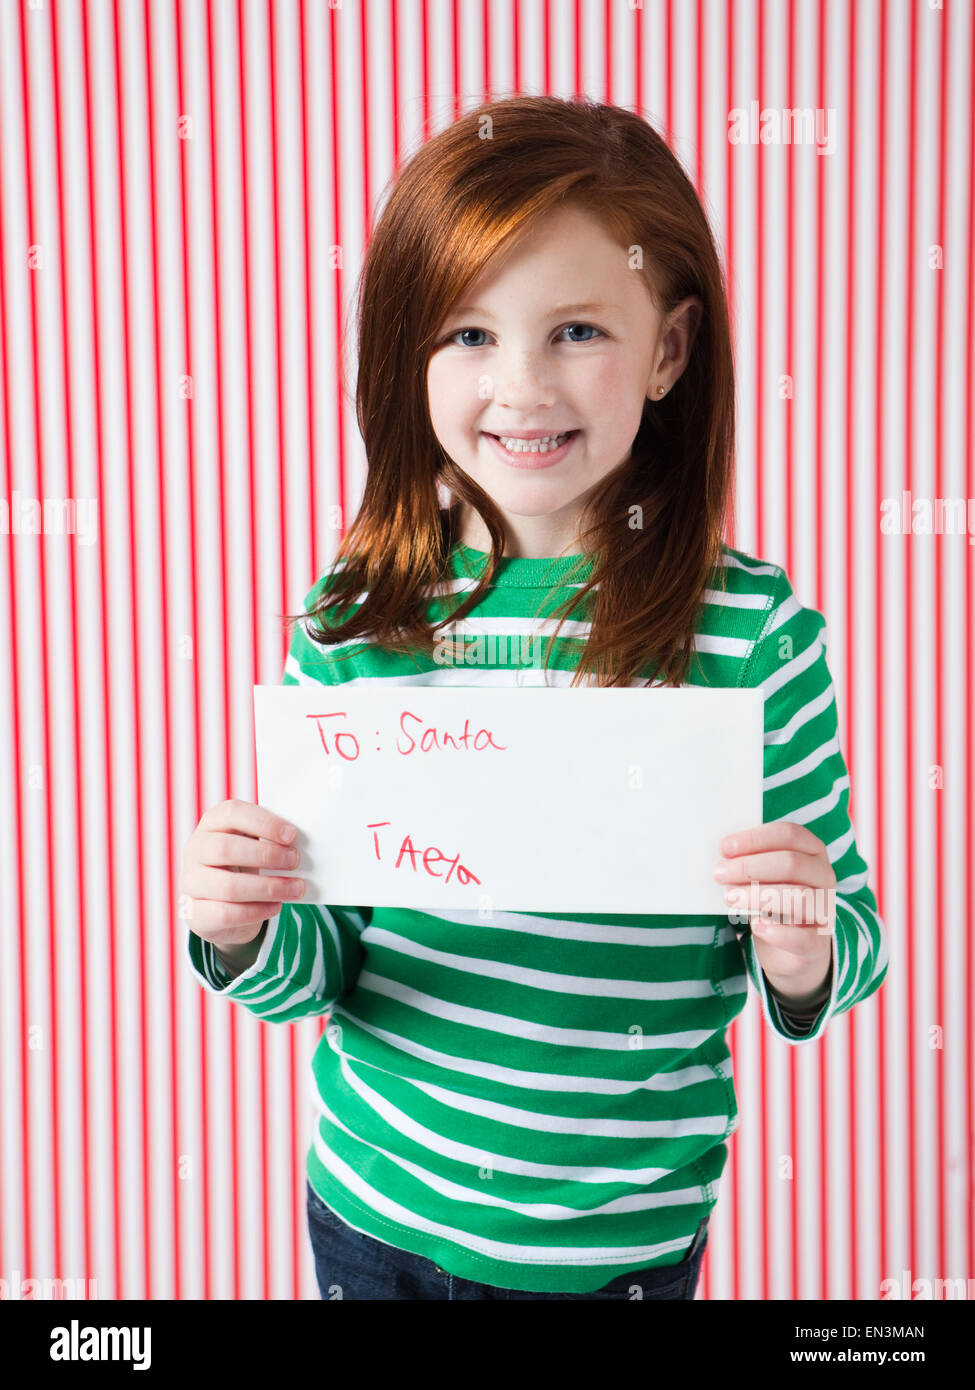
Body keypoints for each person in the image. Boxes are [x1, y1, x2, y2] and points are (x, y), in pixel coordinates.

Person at [180, 95, 888, 1300]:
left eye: (574, 331)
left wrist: (803, 940)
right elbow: (320, 968)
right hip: (378, 1210)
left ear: (668, 351)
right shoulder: (358, 622)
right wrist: (238, 926)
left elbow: (848, 947)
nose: (520, 385)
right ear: (408, 353)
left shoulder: (754, 633)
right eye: (465, 334)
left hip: (619, 1245)